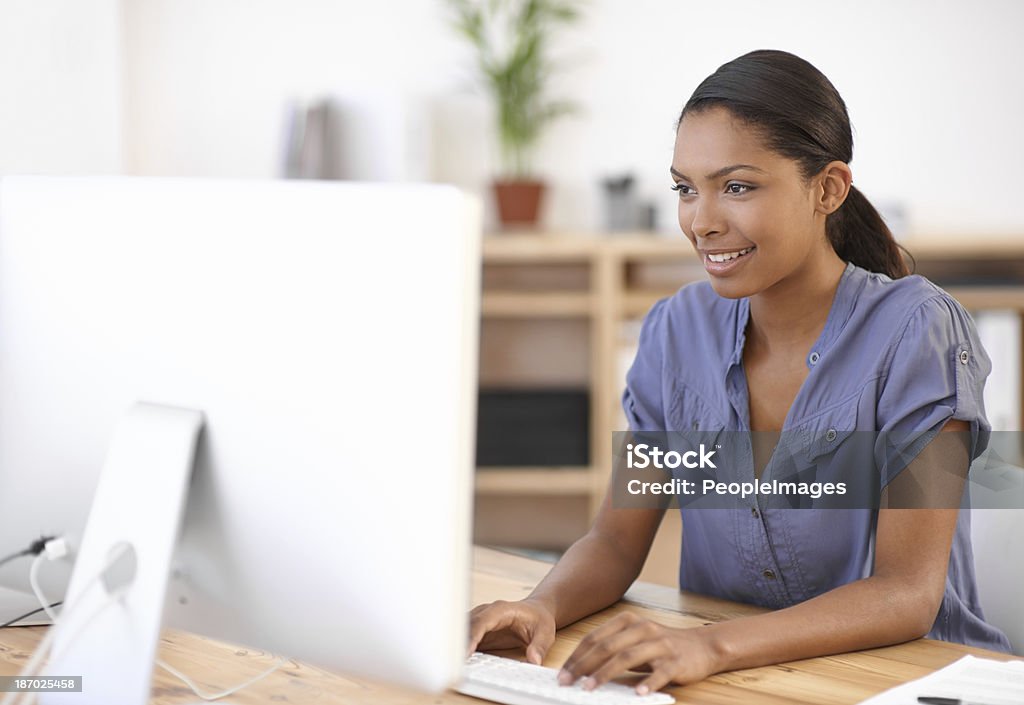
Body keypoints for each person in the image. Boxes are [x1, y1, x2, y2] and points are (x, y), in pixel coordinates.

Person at [466, 49, 1012, 695]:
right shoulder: (675, 333)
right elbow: (615, 540)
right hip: (737, 680)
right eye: (685, 188)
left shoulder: (917, 330)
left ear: (828, 188)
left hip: (907, 680)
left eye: (738, 186)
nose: (702, 220)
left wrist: (709, 644)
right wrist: (542, 606)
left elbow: (906, 592)